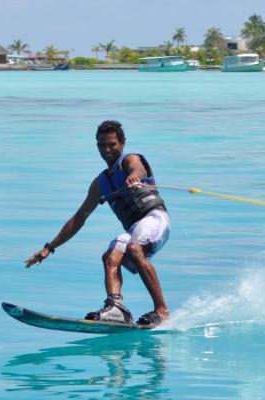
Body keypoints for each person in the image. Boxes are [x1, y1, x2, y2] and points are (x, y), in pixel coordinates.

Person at [24, 120, 171, 326]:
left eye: (112, 144)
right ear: (97, 146)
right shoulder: (100, 184)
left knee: (134, 249)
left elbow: (138, 169)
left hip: (155, 219)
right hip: (134, 229)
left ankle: (162, 310)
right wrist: (49, 248)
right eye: (102, 145)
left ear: (122, 143)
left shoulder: (130, 160)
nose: (107, 150)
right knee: (110, 256)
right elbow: (79, 218)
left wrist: (133, 177)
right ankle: (117, 309)